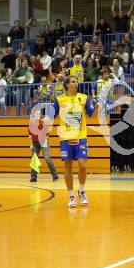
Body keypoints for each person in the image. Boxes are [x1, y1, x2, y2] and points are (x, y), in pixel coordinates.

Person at [53, 75, 95, 208]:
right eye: (73, 82)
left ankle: (81, 191)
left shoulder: (83, 98)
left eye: (76, 82)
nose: (76, 84)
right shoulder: (59, 99)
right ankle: (71, 196)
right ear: (66, 85)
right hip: (66, 138)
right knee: (68, 167)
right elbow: (51, 114)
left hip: (81, 136)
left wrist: (96, 106)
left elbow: (90, 112)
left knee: (83, 165)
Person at [28, 110, 58, 182]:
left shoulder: (43, 123)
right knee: (34, 159)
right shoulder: (31, 124)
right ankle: (33, 177)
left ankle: (55, 175)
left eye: (39, 115)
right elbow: (30, 135)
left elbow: (47, 134)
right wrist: (31, 144)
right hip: (35, 142)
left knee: (47, 158)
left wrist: (45, 143)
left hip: (43, 142)